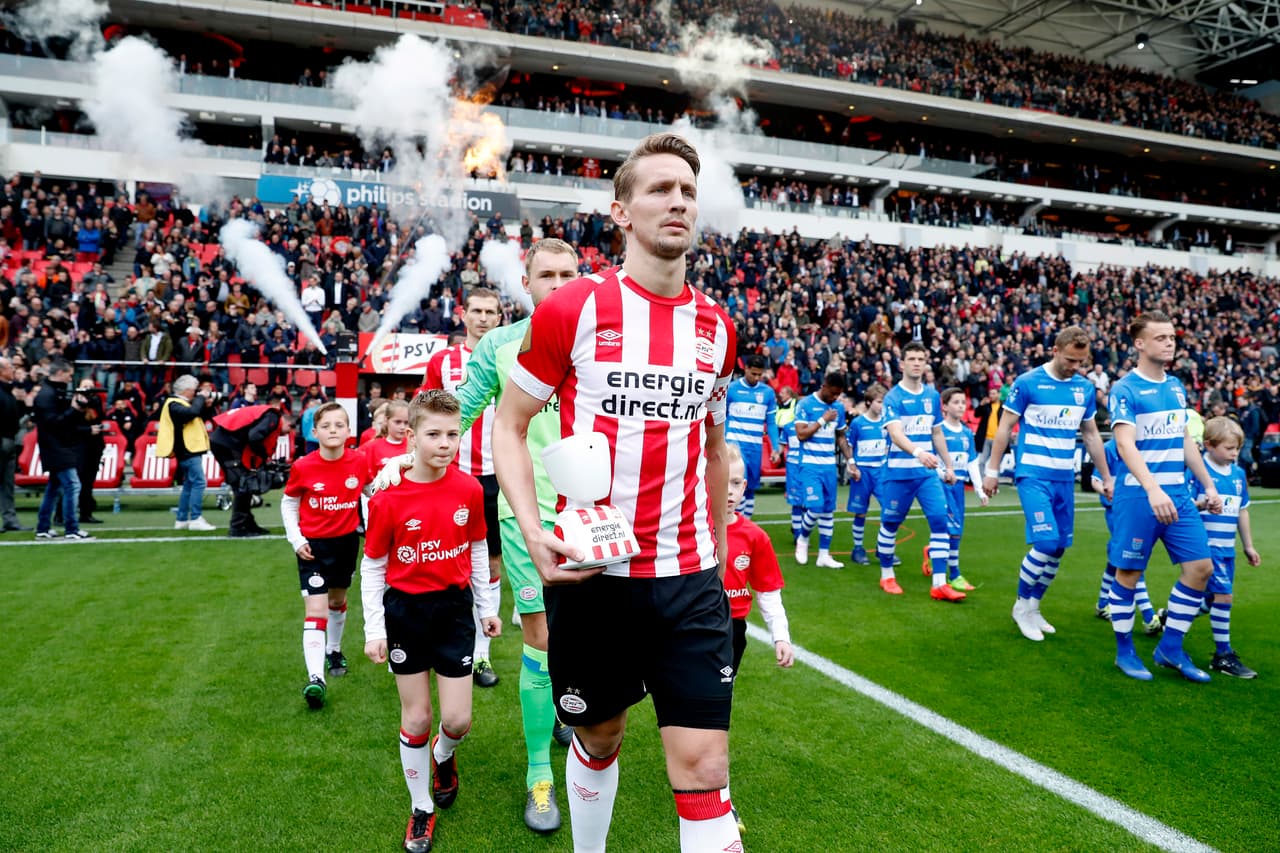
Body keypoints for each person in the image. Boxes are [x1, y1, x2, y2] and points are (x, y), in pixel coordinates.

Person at [492, 132, 742, 852]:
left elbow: (716, 449)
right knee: (599, 737)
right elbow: (509, 425)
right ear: (622, 211)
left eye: (689, 191)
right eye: (661, 189)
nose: (678, 201)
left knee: (704, 764)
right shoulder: (574, 308)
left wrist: (719, 559)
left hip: (690, 581)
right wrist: (537, 532)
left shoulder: (718, 329)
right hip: (595, 579)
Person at [390, 238, 580, 833]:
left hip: (598, 517)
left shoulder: (606, 339)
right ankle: (539, 778)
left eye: (567, 273)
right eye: (544, 274)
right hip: (527, 521)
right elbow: (462, 405)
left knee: (589, 648)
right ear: (526, 283)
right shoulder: (500, 344)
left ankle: (565, 714)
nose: (555, 283)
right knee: (541, 643)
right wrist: (406, 451)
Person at [360, 390, 499, 853]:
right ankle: (421, 809)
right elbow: (374, 566)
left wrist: (486, 607)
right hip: (406, 613)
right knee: (417, 717)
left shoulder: (470, 489)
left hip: (454, 611)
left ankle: (443, 757)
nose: (444, 443)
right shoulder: (389, 498)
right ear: (411, 435)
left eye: (452, 434)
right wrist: (375, 629)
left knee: (457, 720)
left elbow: (478, 548)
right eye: (433, 434)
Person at [1105, 311, 1222, 682]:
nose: (1169, 342)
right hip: (1140, 496)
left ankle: (1170, 648)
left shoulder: (1175, 387)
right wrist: (1152, 488)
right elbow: (1125, 444)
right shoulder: (1125, 389)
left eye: (1172, 337)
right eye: (1161, 338)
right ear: (1139, 344)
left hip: (1178, 494)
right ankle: (1125, 652)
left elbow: (1185, 439)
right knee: (1128, 573)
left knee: (1201, 568)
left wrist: (1208, 483)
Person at [981, 327, 1112, 640]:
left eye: (1080, 362)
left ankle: (1034, 606)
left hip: (1063, 477)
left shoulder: (1083, 388)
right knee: (1045, 543)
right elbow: (1005, 428)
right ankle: (1020, 606)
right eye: (1070, 359)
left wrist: (1107, 476)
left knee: (1060, 549)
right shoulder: (1028, 382)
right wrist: (992, 469)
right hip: (1033, 475)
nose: (1074, 366)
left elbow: (1092, 435)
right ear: (1055, 350)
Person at [421, 287, 505, 689]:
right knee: (449, 562)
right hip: (452, 474)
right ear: (462, 314)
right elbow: (424, 413)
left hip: (500, 476)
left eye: (491, 312)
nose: (484, 318)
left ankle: (481, 656)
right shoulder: (444, 361)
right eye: (477, 310)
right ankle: (439, 644)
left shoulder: (510, 356)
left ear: (500, 317)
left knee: (490, 565)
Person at [722, 442, 793, 834]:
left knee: (717, 716)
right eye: (722, 482)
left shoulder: (755, 538)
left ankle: (720, 797)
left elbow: (767, 592)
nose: (729, 491)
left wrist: (780, 635)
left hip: (730, 635)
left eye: (736, 483)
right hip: (682, 628)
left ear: (746, 486)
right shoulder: (691, 530)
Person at [281, 403, 369, 708]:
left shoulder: (360, 462)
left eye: (339, 424)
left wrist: (373, 526)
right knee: (316, 609)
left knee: (336, 601)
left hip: (345, 544)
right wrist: (296, 539)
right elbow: (289, 504)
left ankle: (334, 649)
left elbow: (372, 493)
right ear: (314, 432)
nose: (333, 430)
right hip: (312, 548)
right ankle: (315, 678)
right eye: (327, 426)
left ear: (348, 431)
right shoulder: (304, 466)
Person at [876, 343, 963, 600]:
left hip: (927, 475)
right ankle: (887, 575)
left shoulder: (932, 396)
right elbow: (895, 433)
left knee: (940, 522)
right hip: (898, 474)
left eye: (921, 359)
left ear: (926, 364)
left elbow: (937, 432)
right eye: (911, 358)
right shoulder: (893, 398)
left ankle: (939, 583)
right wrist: (918, 453)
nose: (916, 363)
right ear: (902, 364)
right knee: (890, 524)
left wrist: (949, 466)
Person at [1187, 417, 1261, 678]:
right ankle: (1222, 655)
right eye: (1229, 448)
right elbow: (1184, 508)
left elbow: (1242, 511)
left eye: (1237, 449)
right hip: (1207, 549)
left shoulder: (1239, 475)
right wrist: (1203, 504)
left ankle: (1169, 618)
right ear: (1209, 445)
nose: (1234, 454)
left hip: (1227, 550)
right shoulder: (1198, 472)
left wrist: (1248, 546)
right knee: (1224, 597)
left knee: (1208, 600)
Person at [1090, 440, 1161, 634]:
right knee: (1131, 558)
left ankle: (1103, 602)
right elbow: (1095, 479)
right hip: (1118, 512)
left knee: (1118, 555)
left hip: (1138, 508)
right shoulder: (1110, 448)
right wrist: (1109, 491)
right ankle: (1149, 616)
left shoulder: (1146, 444)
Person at [928, 387, 988, 591]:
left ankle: (931, 553)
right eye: (956, 402)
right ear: (944, 406)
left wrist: (979, 490)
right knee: (951, 530)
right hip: (942, 486)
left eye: (963, 402)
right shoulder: (938, 431)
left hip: (959, 486)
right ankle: (954, 574)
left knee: (956, 530)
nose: (961, 406)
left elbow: (972, 462)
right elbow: (931, 459)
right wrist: (942, 474)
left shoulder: (966, 433)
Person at [209, 393, 290, 538]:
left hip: (224, 441)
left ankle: (247, 524)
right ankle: (237, 527)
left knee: (243, 484)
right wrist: (264, 456)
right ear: (287, 422)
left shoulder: (266, 414)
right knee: (243, 485)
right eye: (287, 431)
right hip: (226, 444)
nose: (283, 434)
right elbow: (255, 437)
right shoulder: (273, 417)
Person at [793, 372, 850, 568]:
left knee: (828, 511)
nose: (835, 398)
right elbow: (801, 434)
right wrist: (823, 420)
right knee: (815, 507)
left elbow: (841, 437)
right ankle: (802, 539)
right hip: (809, 465)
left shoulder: (838, 407)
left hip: (828, 466)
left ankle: (824, 555)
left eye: (838, 394)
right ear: (824, 386)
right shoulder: (805, 405)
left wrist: (851, 461)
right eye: (833, 393)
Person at [33, 360, 92, 541]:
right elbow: (54, 423)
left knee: (54, 488)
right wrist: (74, 409)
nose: (70, 378)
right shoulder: (46, 395)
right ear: (59, 372)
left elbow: (63, 420)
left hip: (57, 446)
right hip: (56, 447)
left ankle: (43, 527)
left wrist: (77, 409)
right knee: (72, 485)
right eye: (68, 374)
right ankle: (71, 528)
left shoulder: (51, 392)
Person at [155, 374, 217, 531]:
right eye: (194, 390)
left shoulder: (182, 403)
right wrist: (202, 397)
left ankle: (182, 518)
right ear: (187, 390)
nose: (196, 393)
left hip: (190, 449)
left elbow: (202, 415)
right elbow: (192, 413)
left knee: (189, 485)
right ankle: (196, 518)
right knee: (199, 482)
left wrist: (207, 404)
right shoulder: (173, 404)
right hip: (187, 450)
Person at [724, 353, 781, 519]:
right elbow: (722, 417)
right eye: (753, 373)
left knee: (750, 488)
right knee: (738, 485)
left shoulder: (768, 393)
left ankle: (746, 524)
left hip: (755, 447)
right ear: (746, 369)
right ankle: (735, 524)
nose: (756, 377)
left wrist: (775, 447)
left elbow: (771, 422)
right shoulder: (732, 388)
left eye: (759, 374)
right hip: (734, 446)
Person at [846, 383, 887, 565]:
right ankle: (858, 548)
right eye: (879, 402)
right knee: (860, 512)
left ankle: (884, 547)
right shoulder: (858, 423)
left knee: (889, 509)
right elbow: (849, 444)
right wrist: (851, 465)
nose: (882, 406)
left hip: (881, 472)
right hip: (862, 473)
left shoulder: (888, 423)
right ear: (869, 402)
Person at [0, 356, 31, 532]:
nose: (13, 370)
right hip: (3, 439)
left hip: (10, 440)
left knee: (7, 484)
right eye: (10, 367)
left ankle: (10, 519)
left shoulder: (8, 391)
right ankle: (9, 518)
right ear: (1, 371)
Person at [73, 379, 107, 525]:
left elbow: (99, 419)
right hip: (79, 446)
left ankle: (86, 513)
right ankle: (61, 514)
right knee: (75, 481)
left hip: (94, 446)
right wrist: (88, 430)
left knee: (88, 482)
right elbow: (71, 426)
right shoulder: (73, 402)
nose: (88, 390)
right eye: (85, 387)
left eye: (91, 387)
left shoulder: (96, 401)